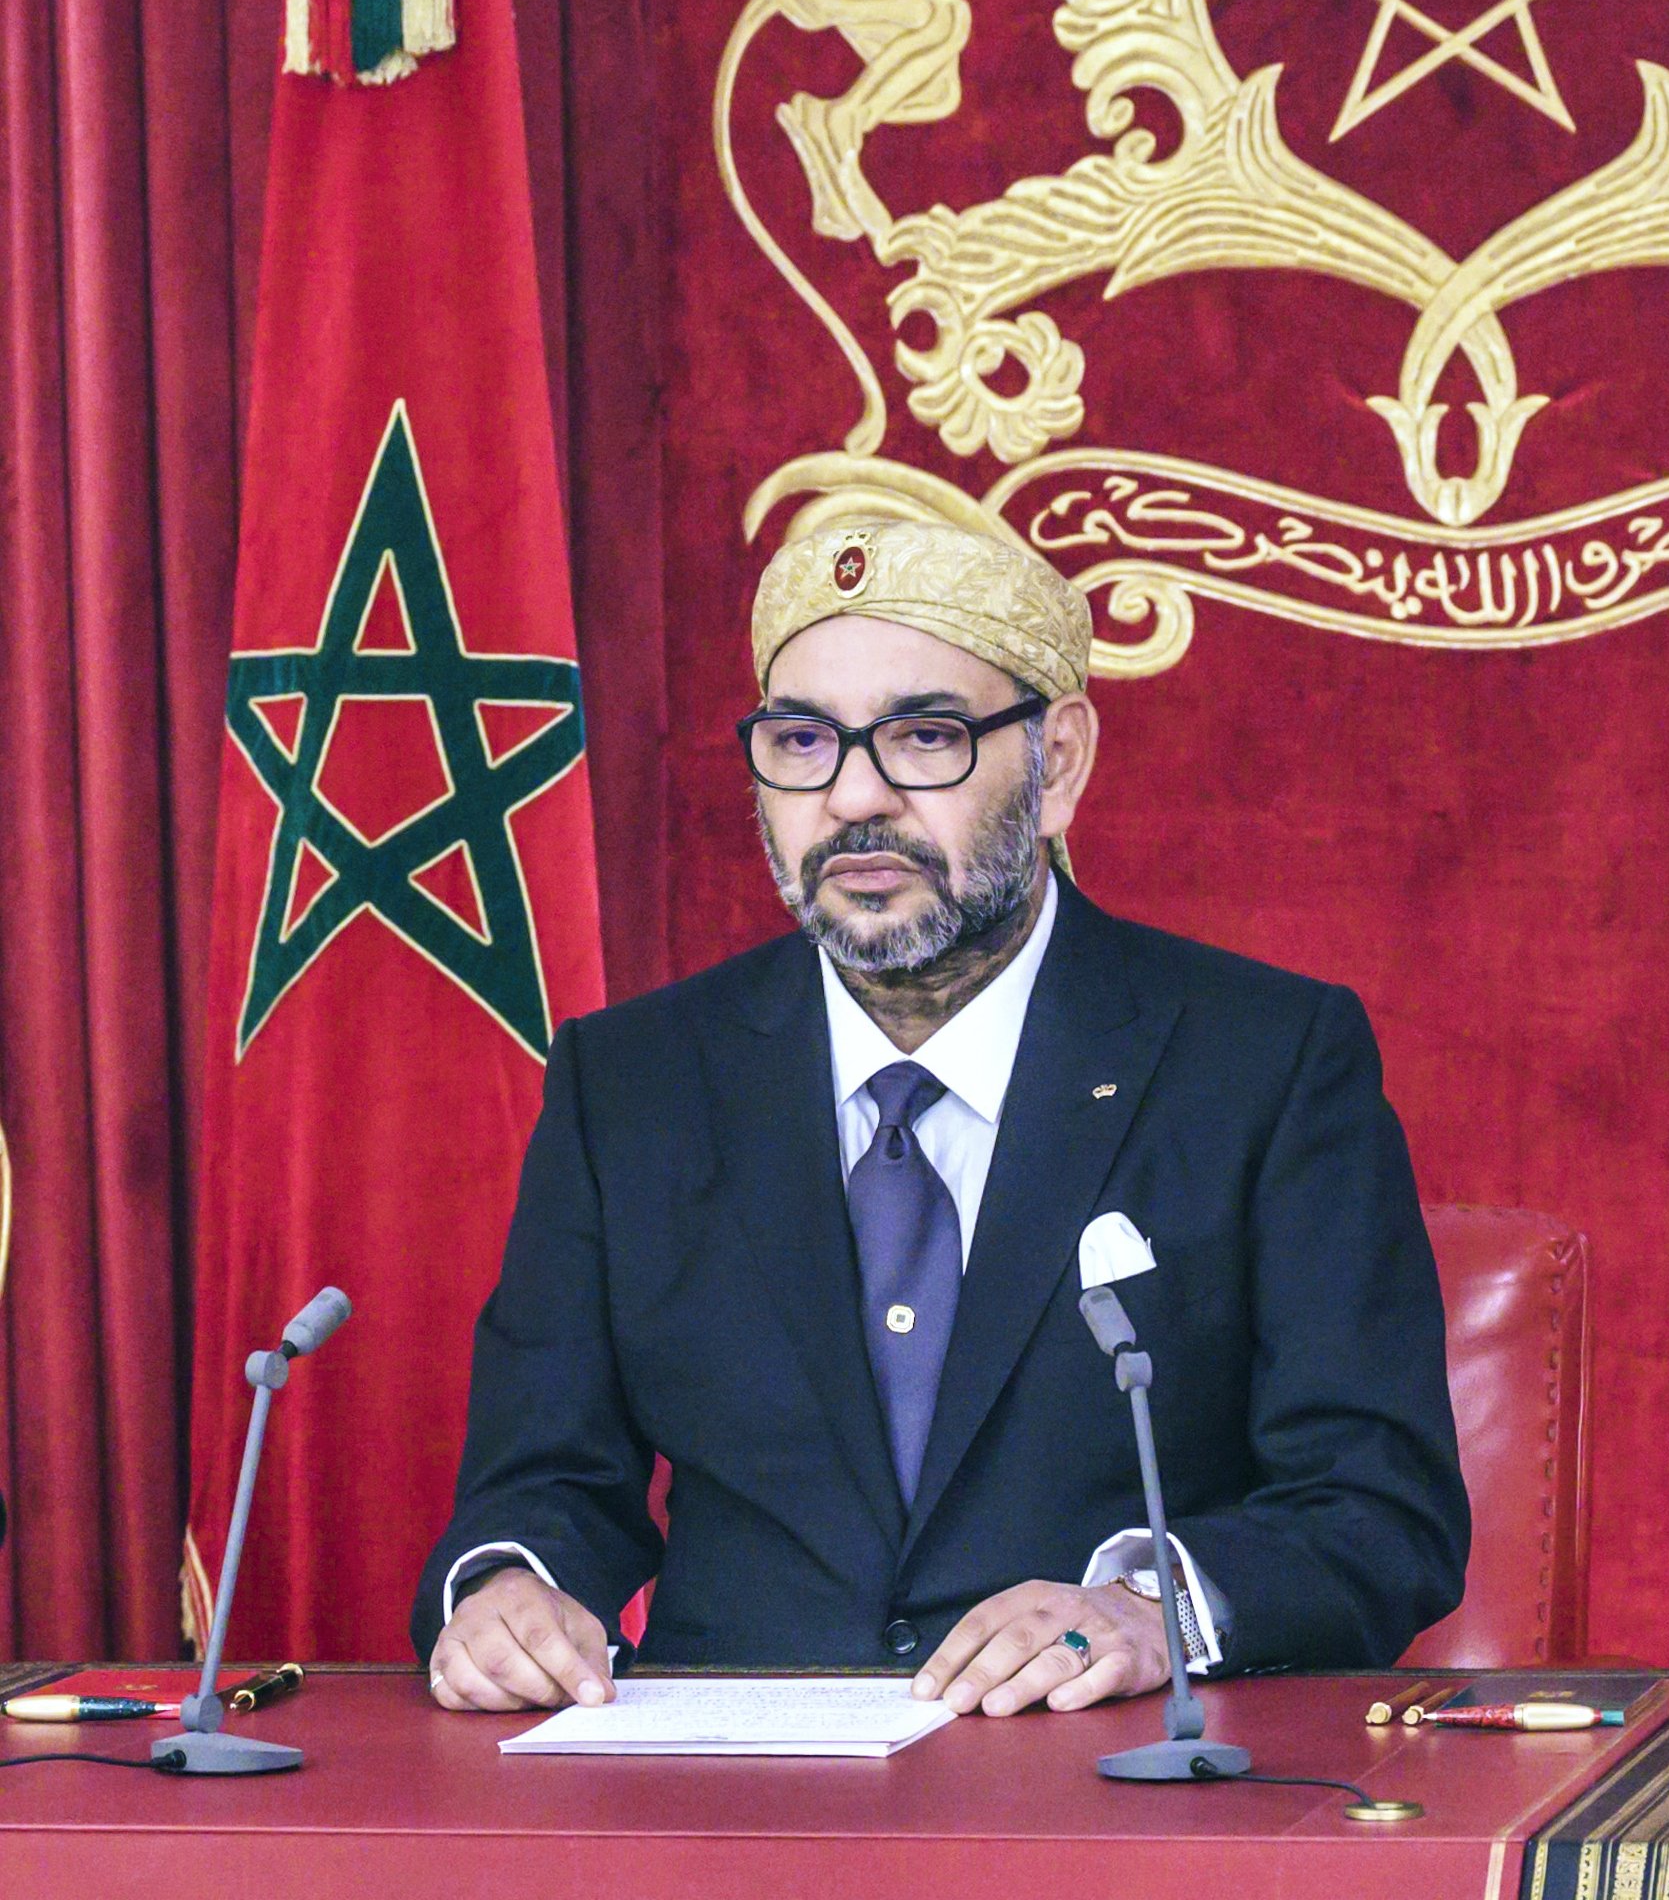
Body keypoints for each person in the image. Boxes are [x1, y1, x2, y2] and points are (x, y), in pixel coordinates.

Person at [414, 515, 1467, 1717]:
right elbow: (543, 1481)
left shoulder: (1263, 1059)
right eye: (802, 740)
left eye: (925, 736)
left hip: (1107, 1789)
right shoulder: (633, 1080)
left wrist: (1148, 1610)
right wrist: (510, 1589)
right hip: (733, 1800)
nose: (854, 796)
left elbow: (1379, 1507)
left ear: (1058, 760)